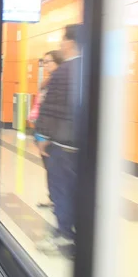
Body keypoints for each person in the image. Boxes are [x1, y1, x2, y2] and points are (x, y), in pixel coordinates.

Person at [35, 24, 82, 255]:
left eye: (63, 40)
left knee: (60, 187)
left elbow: (51, 108)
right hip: (82, 145)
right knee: (76, 188)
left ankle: (64, 233)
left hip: (62, 143)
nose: (61, 45)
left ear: (70, 43)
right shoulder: (92, 69)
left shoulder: (63, 72)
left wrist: (42, 136)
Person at [31, 50, 62, 209]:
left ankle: (57, 199)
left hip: (49, 133)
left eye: (49, 61)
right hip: (41, 128)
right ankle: (53, 197)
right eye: (44, 62)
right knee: (49, 167)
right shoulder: (47, 82)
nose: (46, 65)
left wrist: (45, 135)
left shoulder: (58, 82)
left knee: (53, 168)